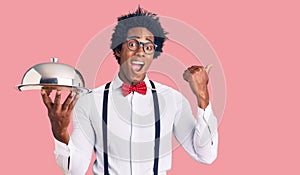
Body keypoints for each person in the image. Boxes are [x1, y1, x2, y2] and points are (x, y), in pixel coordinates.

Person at [41, 7, 218, 175]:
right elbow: (75, 170)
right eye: (133, 44)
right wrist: (61, 133)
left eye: (148, 47)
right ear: (118, 50)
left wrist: (203, 95)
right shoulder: (90, 101)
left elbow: (206, 155)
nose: (140, 52)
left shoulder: (173, 100)